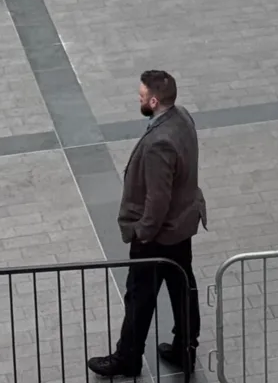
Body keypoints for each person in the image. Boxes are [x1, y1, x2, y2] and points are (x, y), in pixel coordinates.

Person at [87, 69, 206, 378]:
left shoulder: (159, 143)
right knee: (182, 286)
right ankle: (185, 350)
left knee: (140, 296)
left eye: (141, 97)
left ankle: (128, 357)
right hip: (182, 225)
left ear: (154, 101)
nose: (138, 100)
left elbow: (158, 199)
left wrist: (142, 234)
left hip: (159, 234)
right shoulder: (182, 117)